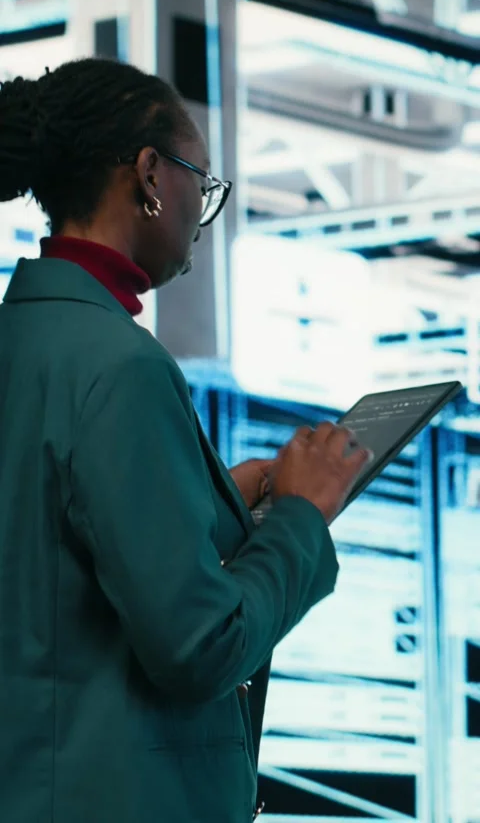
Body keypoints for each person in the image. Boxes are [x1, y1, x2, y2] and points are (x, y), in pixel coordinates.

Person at [0, 58, 370, 823]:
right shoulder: (120, 365)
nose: (203, 206)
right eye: (200, 181)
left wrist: (203, 503)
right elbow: (201, 645)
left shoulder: (26, 339)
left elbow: (43, 550)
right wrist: (301, 516)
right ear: (149, 175)